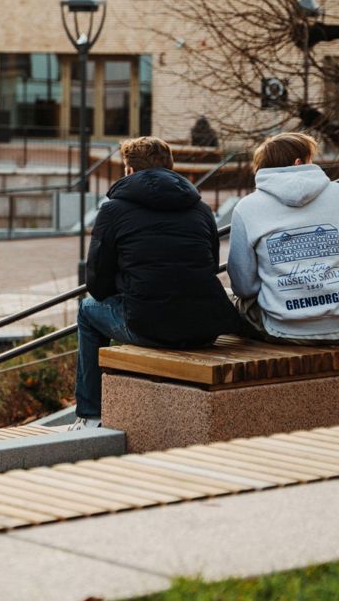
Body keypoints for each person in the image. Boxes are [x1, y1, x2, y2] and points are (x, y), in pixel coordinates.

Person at [71, 136, 241, 429]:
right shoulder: (200, 209)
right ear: (171, 168)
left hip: (149, 326)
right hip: (206, 327)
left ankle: (90, 414)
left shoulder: (112, 211)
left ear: (129, 171)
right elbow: (210, 265)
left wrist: (129, 287)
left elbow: (97, 284)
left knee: (87, 311)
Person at [227, 132, 339, 343]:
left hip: (280, 329)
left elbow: (244, 287)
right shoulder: (338, 193)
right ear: (298, 163)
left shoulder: (246, 207)